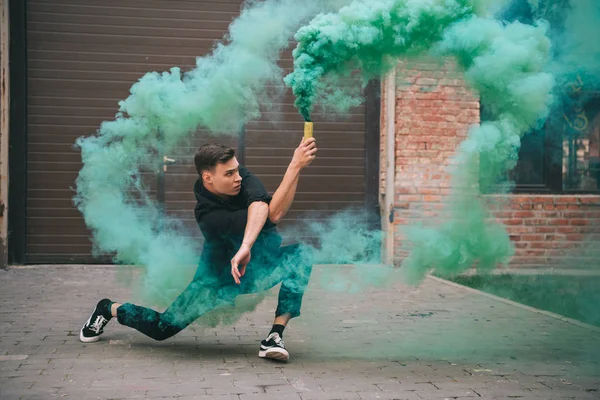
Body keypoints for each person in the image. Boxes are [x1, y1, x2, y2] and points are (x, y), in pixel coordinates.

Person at [79, 136, 318, 362]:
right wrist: (294, 167)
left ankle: (274, 336)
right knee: (162, 328)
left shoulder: (241, 176)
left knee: (302, 254)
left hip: (258, 267)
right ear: (208, 178)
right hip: (216, 282)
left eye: (237, 170)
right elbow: (269, 214)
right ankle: (108, 309)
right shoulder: (208, 216)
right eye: (229, 174)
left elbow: (270, 209)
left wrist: (295, 168)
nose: (238, 177)